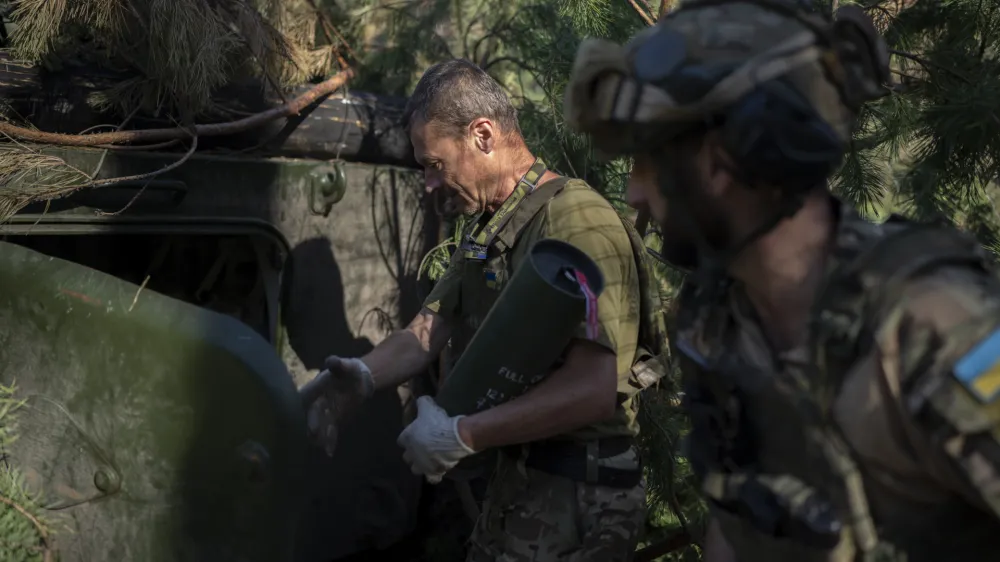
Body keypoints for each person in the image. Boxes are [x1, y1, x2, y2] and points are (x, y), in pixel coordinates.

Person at [563, 2, 1000, 562]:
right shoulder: (716, 315)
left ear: (720, 162)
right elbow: (737, 522)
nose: (635, 196)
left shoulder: (933, 322)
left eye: (648, 163)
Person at [299, 58, 668, 561]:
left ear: (483, 135)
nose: (429, 183)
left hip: (580, 500)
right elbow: (428, 327)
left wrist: (462, 434)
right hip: (520, 487)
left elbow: (594, 388)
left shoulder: (576, 223)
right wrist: (360, 375)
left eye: (434, 165)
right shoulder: (488, 228)